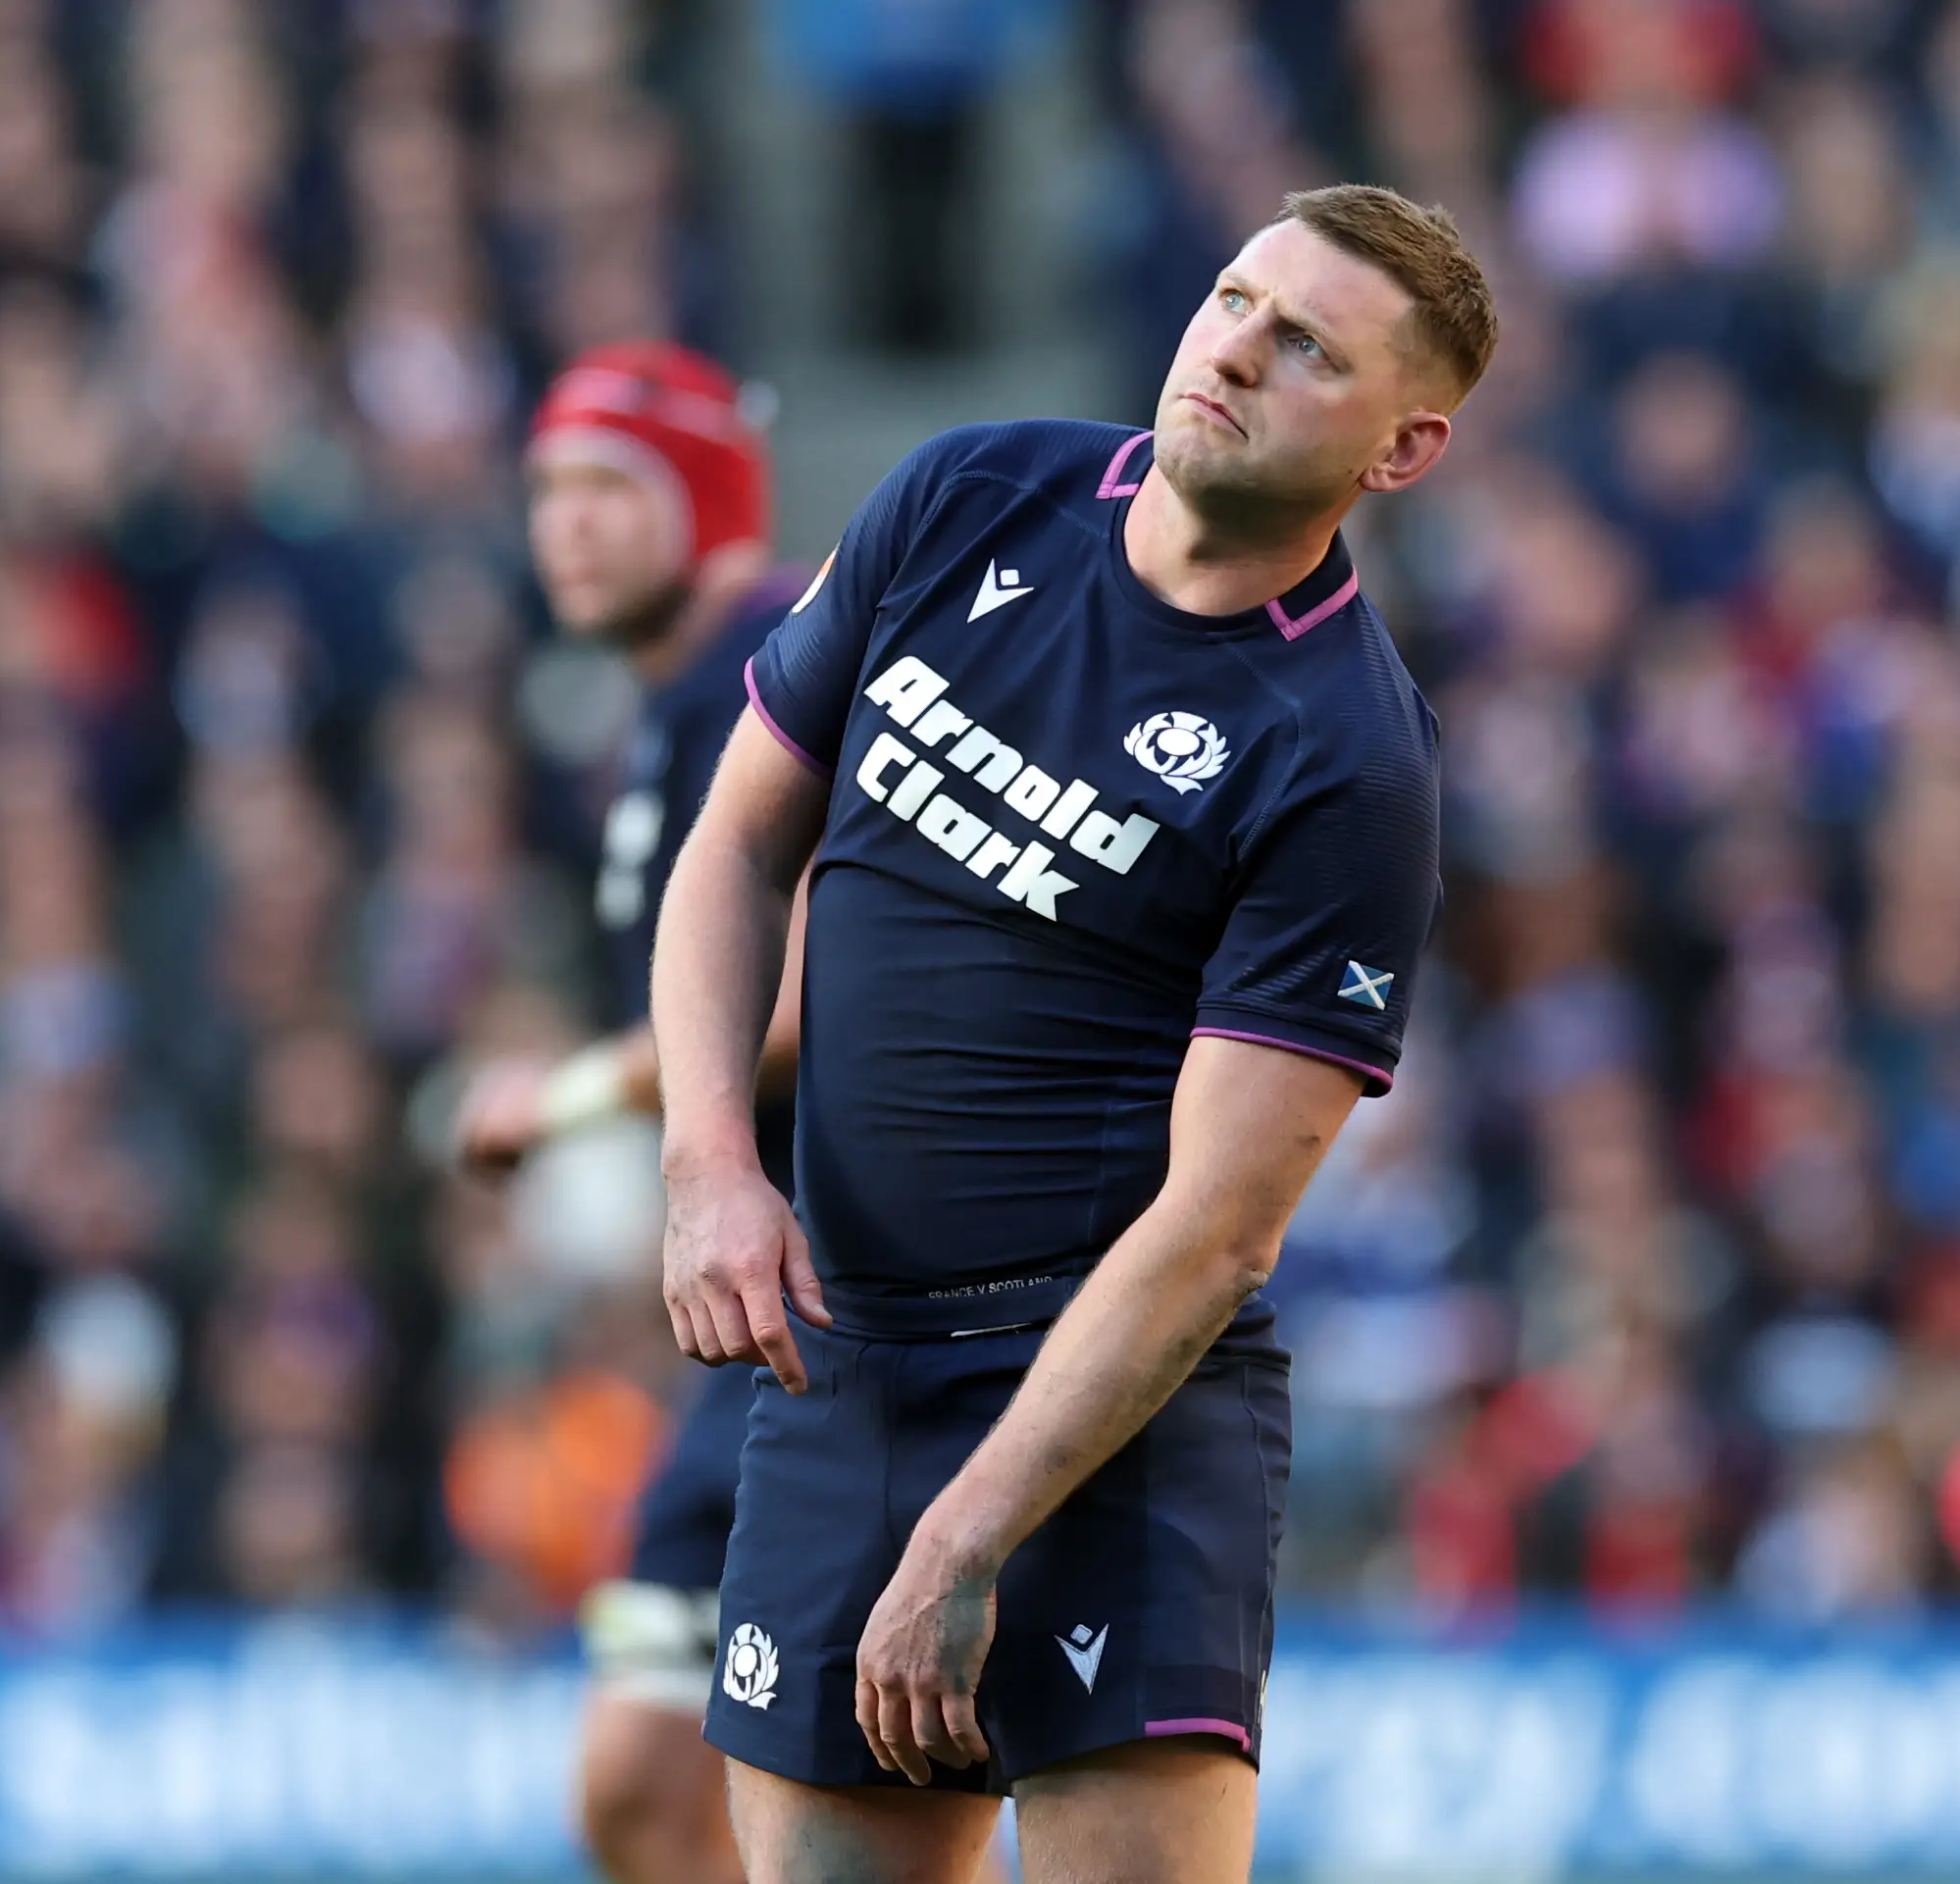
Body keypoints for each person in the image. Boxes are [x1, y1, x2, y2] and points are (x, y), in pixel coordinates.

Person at [646, 184, 1497, 1884]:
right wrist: (710, 1161)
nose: (1237, 353)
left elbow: (1218, 1227)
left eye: (1308, 348)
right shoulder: (974, 492)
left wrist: (969, 1535)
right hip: (846, 1363)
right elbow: (738, 844)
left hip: (1116, 1416)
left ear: (1398, 452)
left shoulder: (1350, 762)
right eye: (1237, 301)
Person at [451, 341, 803, 1884]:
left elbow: (809, 998)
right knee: (645, 1785)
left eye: (609, 486)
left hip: (866, 1311)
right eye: (546, 490)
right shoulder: (664, 712)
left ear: (712, 499)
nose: (566, 525)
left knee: (817, 1814)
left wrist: (572, 1090)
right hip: (760, 1336)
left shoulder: (783, 664)